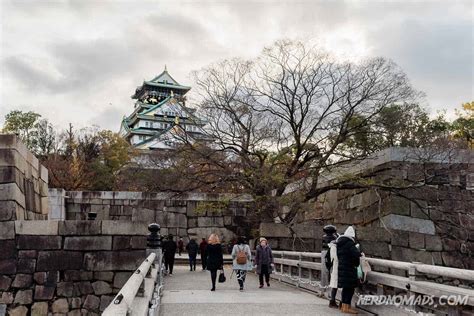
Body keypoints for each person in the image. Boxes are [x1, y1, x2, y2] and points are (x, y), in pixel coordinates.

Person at [336, 226, 361, 314]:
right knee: (350, 288)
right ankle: (346, 307)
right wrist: (359, 253)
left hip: (342, 268)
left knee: (345, 288)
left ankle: (343, 306)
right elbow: (356, 254)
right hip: (349, 269)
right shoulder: (350, 244)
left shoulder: (340, 244)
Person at [323, 225, 340, 308]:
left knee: (333, 282)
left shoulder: (325, 238)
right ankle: (339, 302)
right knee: (335, 282)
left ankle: (332, 300)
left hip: (329, 261)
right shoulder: (335, 240)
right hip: (335, 263)